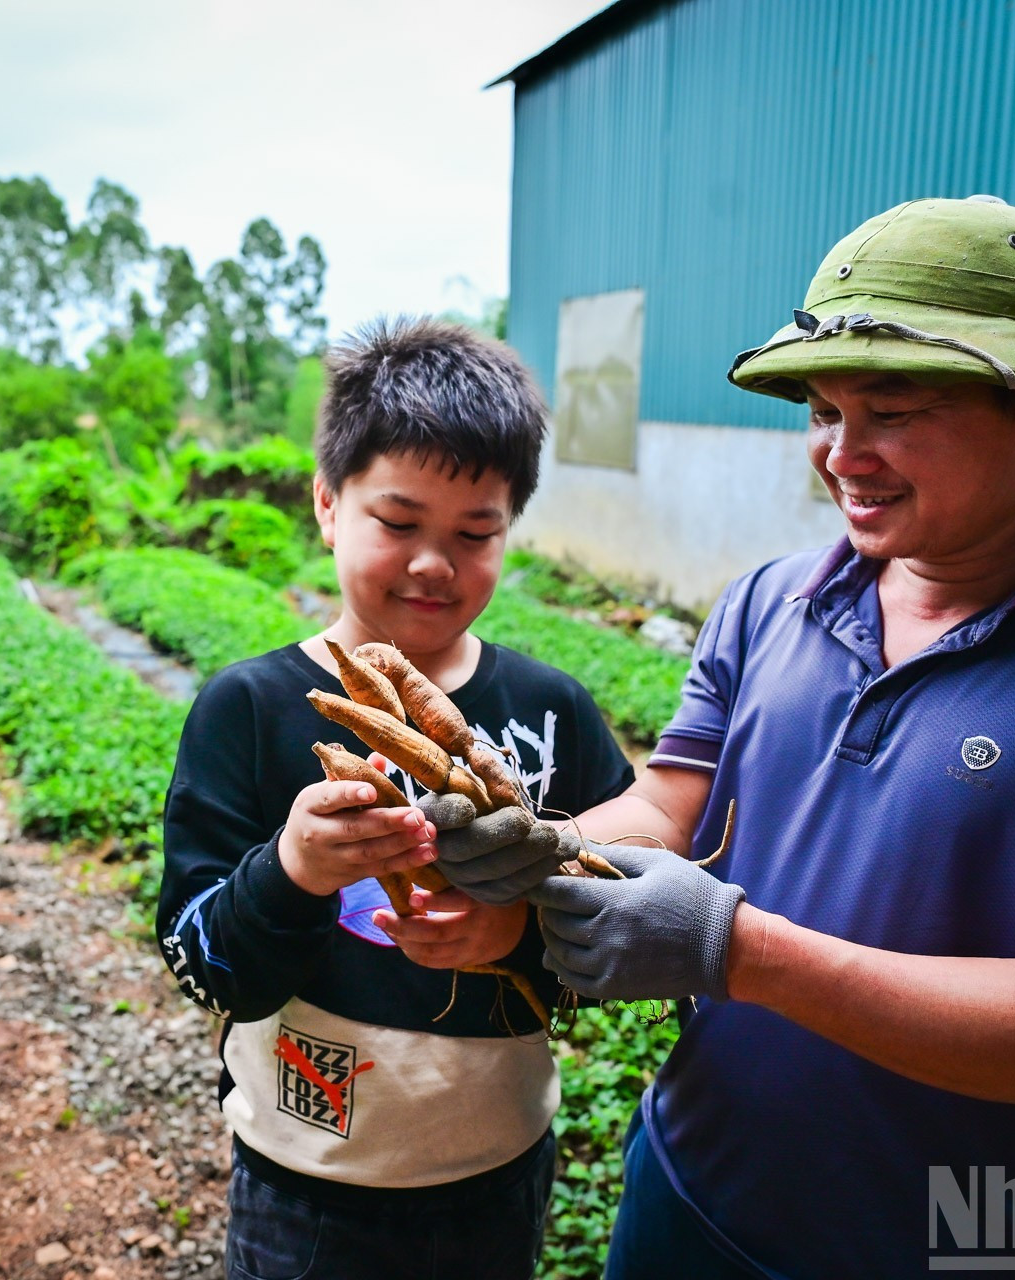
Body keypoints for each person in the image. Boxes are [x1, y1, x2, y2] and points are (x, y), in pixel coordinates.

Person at [423, 197, 1015, 1278]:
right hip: (691, 1183)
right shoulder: (769, 601)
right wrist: (539, 845)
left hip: (945, 1248)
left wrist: (739, 949)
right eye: (824, 409)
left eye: (893, 407)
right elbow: (673, 805)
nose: (843, 454)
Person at [157, 316, 636, 1279]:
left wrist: (515, 937)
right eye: (398, 521)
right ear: (329, 505)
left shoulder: (553, 711)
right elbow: (201, 959)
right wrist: (292, 871)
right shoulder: (247, 711)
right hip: (306, 1176)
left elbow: (619, 922)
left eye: (475, 532)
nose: (434, 562)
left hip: (497, 1169)